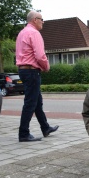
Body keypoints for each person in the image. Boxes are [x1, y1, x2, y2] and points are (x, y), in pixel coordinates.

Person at [15, 10, 58, 142]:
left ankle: (45, 127)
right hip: (32, 71)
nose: (43, 21)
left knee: (37, 101)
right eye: (41, 19)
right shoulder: (34, 33)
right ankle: (23, 133)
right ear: (34, 20)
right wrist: (46, 66)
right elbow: (40, 55)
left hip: (23, 70)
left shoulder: (22, 33)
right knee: (30, 102)